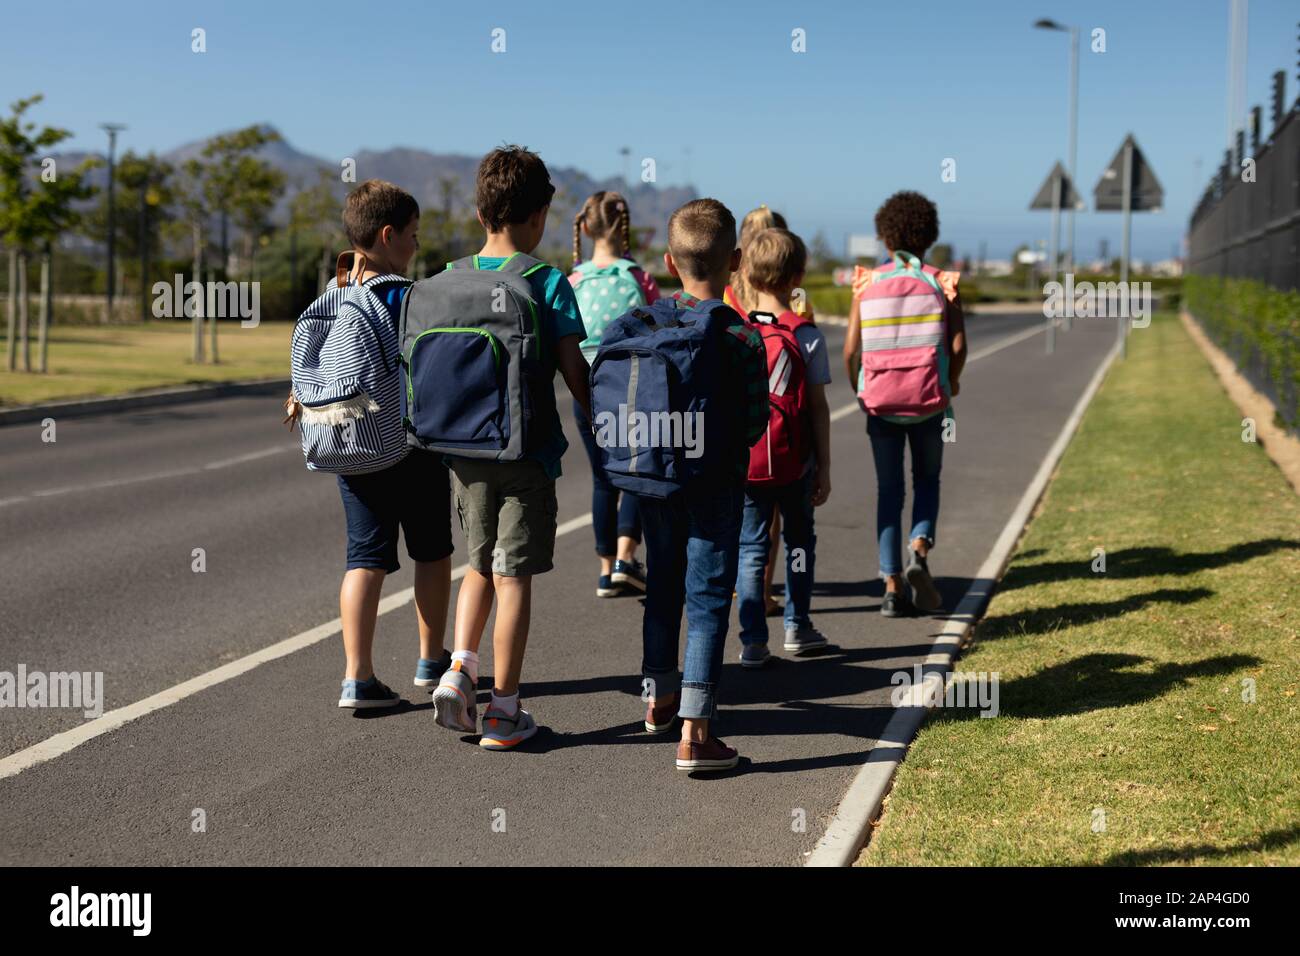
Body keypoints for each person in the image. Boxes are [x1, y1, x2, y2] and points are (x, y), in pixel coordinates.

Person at [430, 146, 591, 749]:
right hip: (525, 454)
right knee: (514, 575)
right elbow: (575, 371)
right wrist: (605, 420)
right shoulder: (546, 282)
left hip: (462, 452)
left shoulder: (447, 280)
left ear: (479, 213)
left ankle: (459, 668)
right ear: (542, 213)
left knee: (477, 564)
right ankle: (503, 709)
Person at [286, 180, 454, 709]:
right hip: (411, 445)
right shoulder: (409, 297)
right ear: (388, 236)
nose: (417, 245)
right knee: (432, 551)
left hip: (351, 442)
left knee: (364, 557)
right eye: (413, 234)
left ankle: (357, 678)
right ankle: (431, 660)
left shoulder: (332, 299)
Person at [637, 199, 768, 772]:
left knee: (662, 585)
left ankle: (659, 697)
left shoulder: (647, 324)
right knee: (710, 595)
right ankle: (696, 731)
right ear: (736, 261)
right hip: (716, 480)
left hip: (654, 478)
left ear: (669, 262)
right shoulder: (741, 336)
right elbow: (756, 421)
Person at [842, 191, 966, 616]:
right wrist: (952, 381)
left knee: (889, 491)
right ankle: (920, 547)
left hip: (880, 405)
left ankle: (892, 585)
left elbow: (850, 351)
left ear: (884, 236)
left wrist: (861, 391)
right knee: (927, 480)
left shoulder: (867, 282)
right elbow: (958, 343)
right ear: (929, 234)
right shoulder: (942, 282)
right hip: (930, 401)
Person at [734, 227, 832, 666]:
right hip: (796, 462)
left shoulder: (736, 332)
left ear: (748, 276)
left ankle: (753, 641)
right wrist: (823, 467)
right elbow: (818, 408)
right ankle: (798, 626)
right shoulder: (807, 336)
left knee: (752, 548)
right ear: (799, 276)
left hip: (748, 464)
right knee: (797, 543)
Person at [568, 191, 660, 597]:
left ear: (585, 228)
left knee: (602, 479)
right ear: (625, 227)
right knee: (635, 474)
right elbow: (660, 329)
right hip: (633, 384)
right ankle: (627, 556)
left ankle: (606, 570)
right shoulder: (638, 278)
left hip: (586, 386)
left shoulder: (573, 280)